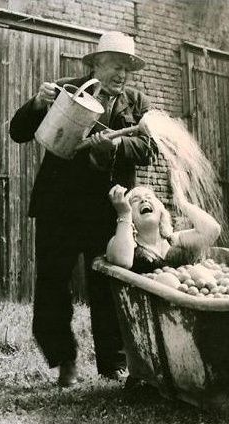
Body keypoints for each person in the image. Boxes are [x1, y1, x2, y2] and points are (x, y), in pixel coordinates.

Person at [9, 31, 158, 387]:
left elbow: (149, 148)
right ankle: (65, 362)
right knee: (52, 284)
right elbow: (18, 132)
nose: (121, 75)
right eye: (114, 66)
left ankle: (114, 364)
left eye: (127, 68)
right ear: (95, 64)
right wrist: (35, 104)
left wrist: (117, 149)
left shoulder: (137, 103)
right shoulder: (65, 90)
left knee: (109, 285)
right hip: (59, 206)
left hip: (109, 209)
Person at [106, 185, 221, 273]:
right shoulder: (125, 243)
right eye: (135, 200)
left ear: (161, 210)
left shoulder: (175, 239)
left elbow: (212, 231)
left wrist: (181, 203)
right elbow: (122, 262)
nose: (144, 200)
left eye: (149, 197)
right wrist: (124, 214)